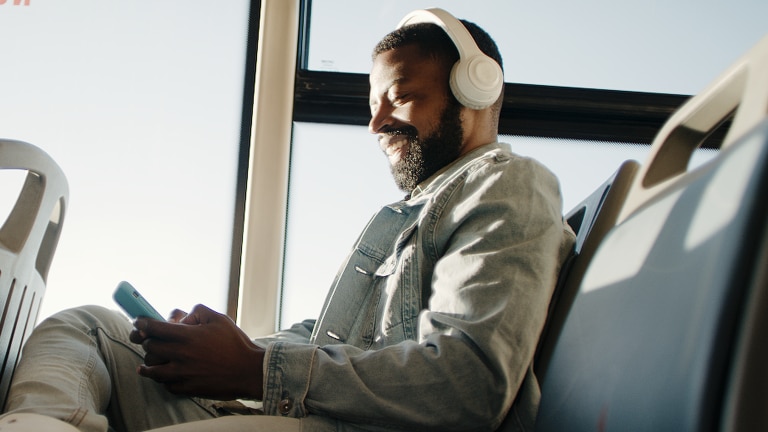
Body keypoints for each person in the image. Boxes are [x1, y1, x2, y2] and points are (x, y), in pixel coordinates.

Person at [0, 8, 574, 432]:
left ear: (474, 89)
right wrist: (222, 349)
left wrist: (254, 369)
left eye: (399, 96)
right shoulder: (413, 214)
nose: (376, 124)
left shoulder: (507, 184)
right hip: (309, 409)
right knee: (92, 326)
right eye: (372, 104)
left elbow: (467, 384)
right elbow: (334, 340)